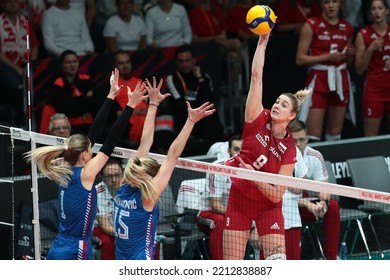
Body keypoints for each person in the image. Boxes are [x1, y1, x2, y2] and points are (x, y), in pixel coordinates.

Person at [24, 68, 147, 260]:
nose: (93, 151)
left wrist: (111, 95)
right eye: (90, 150)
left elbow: (94, 132)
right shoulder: (86, 174)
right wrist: (130, 105)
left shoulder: (63, 166)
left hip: (59, 244)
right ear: (83, 155)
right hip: (77, 247)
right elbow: (111, 138)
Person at [223, 33, 309, 260]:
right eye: (277, 101)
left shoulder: (290, 151)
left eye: (283, 104)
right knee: (230, 268)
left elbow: (276, 195)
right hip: (239, 200)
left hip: (267, 208)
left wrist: (255, 177)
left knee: (277, 265)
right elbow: (256, 76)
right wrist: (262, 43)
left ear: (291, 115)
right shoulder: (256, 118)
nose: (276, 105)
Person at [113, 77, 216, 260]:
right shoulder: (148, 195)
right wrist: (190, 121)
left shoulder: (123, 186)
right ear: (150, 178)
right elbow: (172, 155)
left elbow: (146, 141)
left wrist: (153, 104)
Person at [296, 0, 355, 142]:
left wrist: (349, 56)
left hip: (340, 77)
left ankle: (330, 163)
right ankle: (313, 163)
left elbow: (349, 63)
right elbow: (300, 59)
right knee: (314, 132)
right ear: (321, 4)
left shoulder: (347, 27)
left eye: (334, 2)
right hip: (319, 79)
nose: (331, 5)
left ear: (340, 4)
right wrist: (328, 57)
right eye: (327, 2)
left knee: (335, 132)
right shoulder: (311, 24)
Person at [290, 120, 341, 260]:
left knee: (333, 207)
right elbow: (282, 196)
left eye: (301, 140)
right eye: (294, 140)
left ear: (307, 138)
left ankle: (332, 258)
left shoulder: (315, 156)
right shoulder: (281, 157)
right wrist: (307, 204)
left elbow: (324, 186)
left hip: (305, 206)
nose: (298, 144)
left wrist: (323, 202)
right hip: (287, 207)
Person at [165, 44, 225, 155]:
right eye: (181, 61)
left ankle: (217, 153)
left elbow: (211, 99)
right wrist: (199, 103)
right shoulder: (172, 78)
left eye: (187, 61)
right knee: (207, 118)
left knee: (212, 118)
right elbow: (180, 105)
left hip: (202, 116)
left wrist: (199, 78)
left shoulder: (203, 77)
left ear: (194, 61)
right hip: (184, 118)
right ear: (176, 62)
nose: (184, 64)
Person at [196, 134, 242, 260]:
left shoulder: (251, 169)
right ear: (228, 151)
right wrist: (238, 216)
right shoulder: (217, 168)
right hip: (208, 213)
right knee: (223, 222)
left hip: (235, 214)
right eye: (236, 150)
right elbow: (215, 205)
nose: (239, 154)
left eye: (242, 150)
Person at [0, 0, 40, 124]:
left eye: (15, 1)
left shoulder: (25, 21)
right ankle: (19, 115)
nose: (12, 4)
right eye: (8, 2)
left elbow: (34, 47)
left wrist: (30, 65)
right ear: (2, 5)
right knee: (19, 86)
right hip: (6, 67)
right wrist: (16, 68)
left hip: (26, 65)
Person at [354, 0, 390, 137]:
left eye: (380, 8)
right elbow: (359, 69)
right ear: (370, 12)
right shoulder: (363, 34)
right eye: (373, 9)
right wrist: (371, 49)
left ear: (386, 11)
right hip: (374, 90)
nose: (376, 11)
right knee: (371, 136)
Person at [45, 49, 99, 135]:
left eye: (74, 61)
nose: (72, 65)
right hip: (68, 127)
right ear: (61, 65)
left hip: (90, 124)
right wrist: (85, 98)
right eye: (68, 62)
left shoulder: (87, 79)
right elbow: (67, 109)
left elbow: (95, 102)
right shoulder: (56, 84)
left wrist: (75, 100)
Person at [93, 158, 123, 260]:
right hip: (102, 228)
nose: (114, 180)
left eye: (117, 175)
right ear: (102, 177)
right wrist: (125, 235)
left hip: (124, 227)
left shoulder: (128, 188)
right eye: (109, 176)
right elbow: (105, 226)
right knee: (108, 242)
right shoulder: (97, 192)